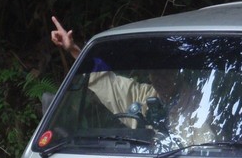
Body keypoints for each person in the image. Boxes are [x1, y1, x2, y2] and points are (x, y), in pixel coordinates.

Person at [50, 16, 213, 143]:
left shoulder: (199, 105)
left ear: (179, 73)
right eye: (155, 73)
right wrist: (73, 49)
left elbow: (209, 151)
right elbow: (107, 83)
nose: (160, 79)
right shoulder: (145, 97)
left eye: (166, 73)